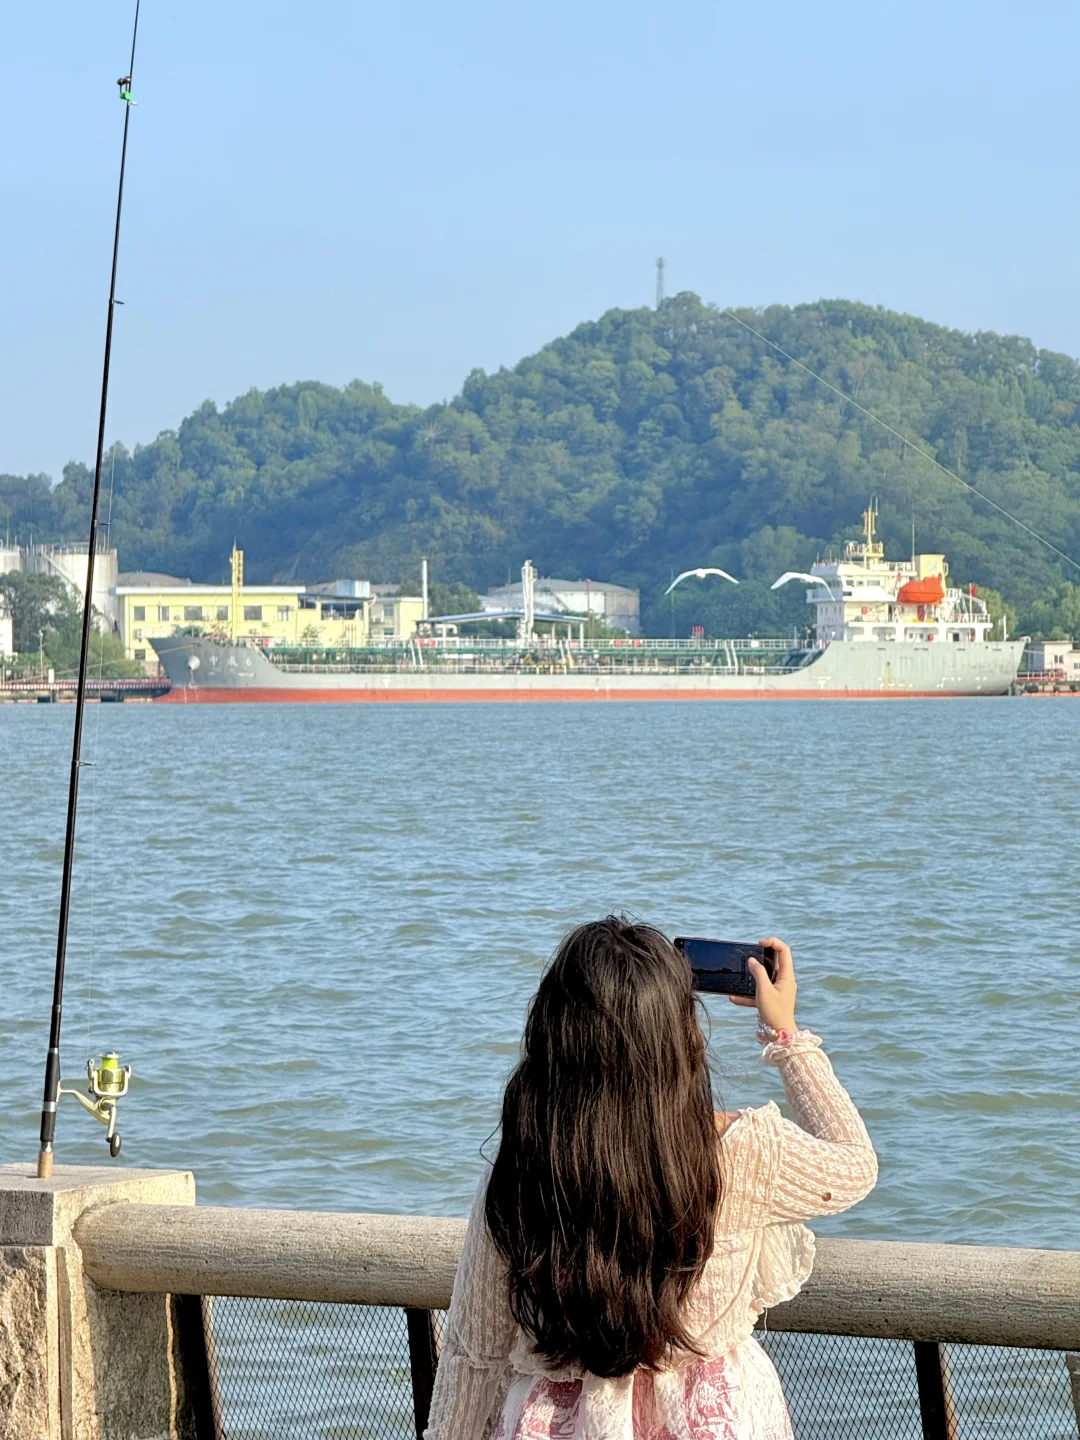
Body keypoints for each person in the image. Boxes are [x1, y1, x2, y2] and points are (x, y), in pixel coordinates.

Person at [424, 917, 877, 1440]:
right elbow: (854, 1164)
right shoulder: (741, 1154)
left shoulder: (524, 1169)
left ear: (554, 1034)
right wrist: (786, 1035)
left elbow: (473, 1354)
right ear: (678, 1035)